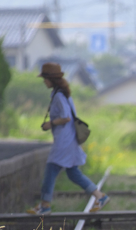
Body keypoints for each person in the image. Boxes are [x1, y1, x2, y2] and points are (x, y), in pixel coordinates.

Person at [27, 63, 110, 215]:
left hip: (64, 141)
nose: (44, 82)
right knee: (73, 173)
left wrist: (50, 123)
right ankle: (100, 196)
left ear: (51, 79)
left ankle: (45, 205)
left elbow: (65, 117)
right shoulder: (62, 93)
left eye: (45, 78)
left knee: (50, 171)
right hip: (68, 139)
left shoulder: (59, 95)